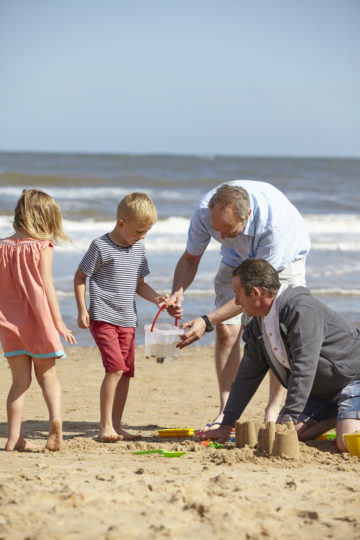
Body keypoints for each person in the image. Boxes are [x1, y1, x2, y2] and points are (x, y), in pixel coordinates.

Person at [169, 180, 310, 430]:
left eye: (228, 231)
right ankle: (226, 411)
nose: (221, 237)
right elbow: (190, 258)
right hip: (235, 258)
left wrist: (206, 320)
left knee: (276, 333)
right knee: (226, 330)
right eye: (216, 230)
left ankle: (272, 410)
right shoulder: (205, 213)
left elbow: (252, 296)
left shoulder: (274, 227)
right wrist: (177, 291)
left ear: (247, 216)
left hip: (283, 260)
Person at [201, 258, 360, 452]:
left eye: (238, 294)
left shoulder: (300, 309)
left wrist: (290, 418)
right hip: (322, 392)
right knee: (283, 435)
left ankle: (347, 415)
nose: (236, 302)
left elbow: (304, 366)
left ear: (256, 293)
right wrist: (226, 425)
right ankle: (338, 414)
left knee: (347, 443)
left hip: (354, 379)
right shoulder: (257, 326)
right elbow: (246, 377)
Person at [74, 192, 172, 443]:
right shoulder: (100, 246)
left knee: (126, 371)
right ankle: (104, 425)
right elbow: (80, 278)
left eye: (146, 232)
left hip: (128, 319)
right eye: (139, 231)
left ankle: (116, 426)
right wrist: (82, 310)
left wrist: (158, 298)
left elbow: (140, 284)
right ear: (121, 223)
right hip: (103, 316)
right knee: (115, 368)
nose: (142, 237)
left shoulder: (139, 248)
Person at [0, 189, 76, 452]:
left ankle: (13, 439)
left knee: (19, 383)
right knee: (48, 376)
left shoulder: (1, 247)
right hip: (40, 322)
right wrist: (59, 323)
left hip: (9, 325)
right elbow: (47, 286)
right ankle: (55, 421)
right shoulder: (43, 247)